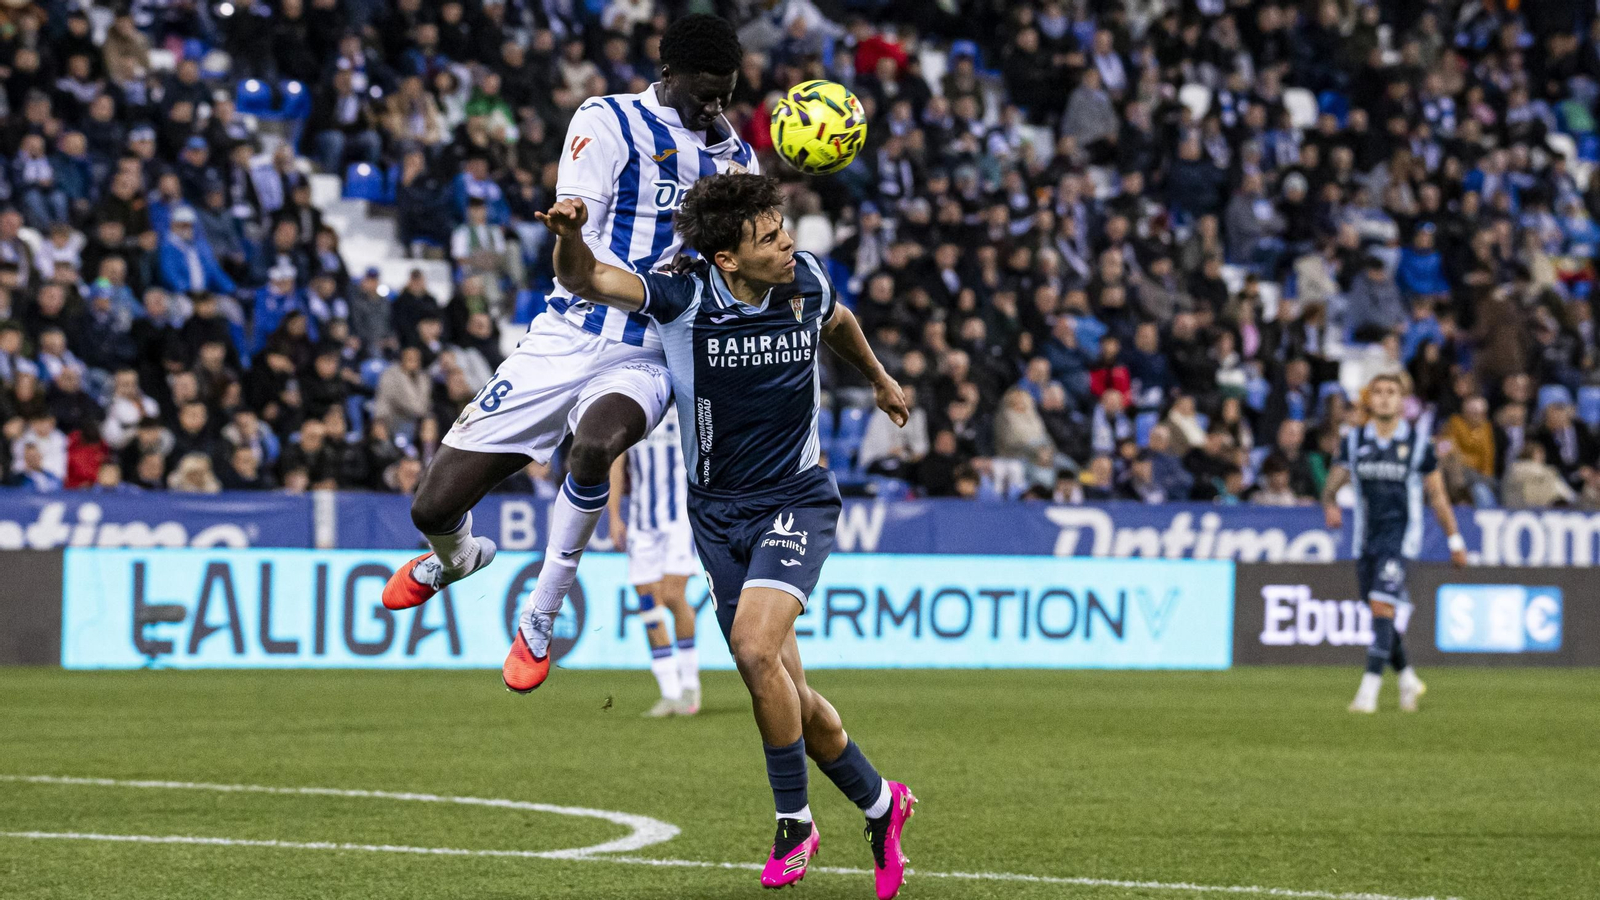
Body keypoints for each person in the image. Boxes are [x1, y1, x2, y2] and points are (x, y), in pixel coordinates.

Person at [538, 174, 918, 896]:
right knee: (790, 698)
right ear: (727, 261)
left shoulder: (805, 280)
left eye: (784, 230)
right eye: (769, 238)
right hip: (716, 514)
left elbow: (837, 322)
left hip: (796, 500)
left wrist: (878, 377)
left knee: (751, 648)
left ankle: (794, 822)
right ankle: (880, 801)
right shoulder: (683, 296)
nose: (788, 244)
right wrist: (569, 237)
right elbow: (586, 278)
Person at [380, 14, 757, 702]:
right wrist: (568, 234)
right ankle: (458, 558)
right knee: (432, 507)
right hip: (566, 333)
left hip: (648, 348)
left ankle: (539, 617)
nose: (715, 107)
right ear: (667, 75)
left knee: (594, 446)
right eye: (704, 92)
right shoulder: (607, 121)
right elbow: (575, 236)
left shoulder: (735, 160)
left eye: (725, 93)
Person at [1321, 374, 1468, 714]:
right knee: (1378, 613)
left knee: (1382, 607)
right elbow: (1332, 484)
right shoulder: (1354, 440)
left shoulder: (1418, 444)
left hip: (1402, 540)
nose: (1385, 398)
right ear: (1369, 400)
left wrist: (1455, 540)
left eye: (1392, 393)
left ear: (1403, 402)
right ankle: (1407, 679)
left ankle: (1367, 694)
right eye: (1379, 392)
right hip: (1365, 541)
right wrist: (1329, 504)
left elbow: (1438, 495)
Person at [608, 407, 701, 717]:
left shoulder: (687, 406)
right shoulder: (638, 409)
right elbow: (617, 463)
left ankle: (689, 683)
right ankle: (670, 691)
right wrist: (614, 516)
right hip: (642, 524)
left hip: (680, 519)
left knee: (674, 595)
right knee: (648, 602)